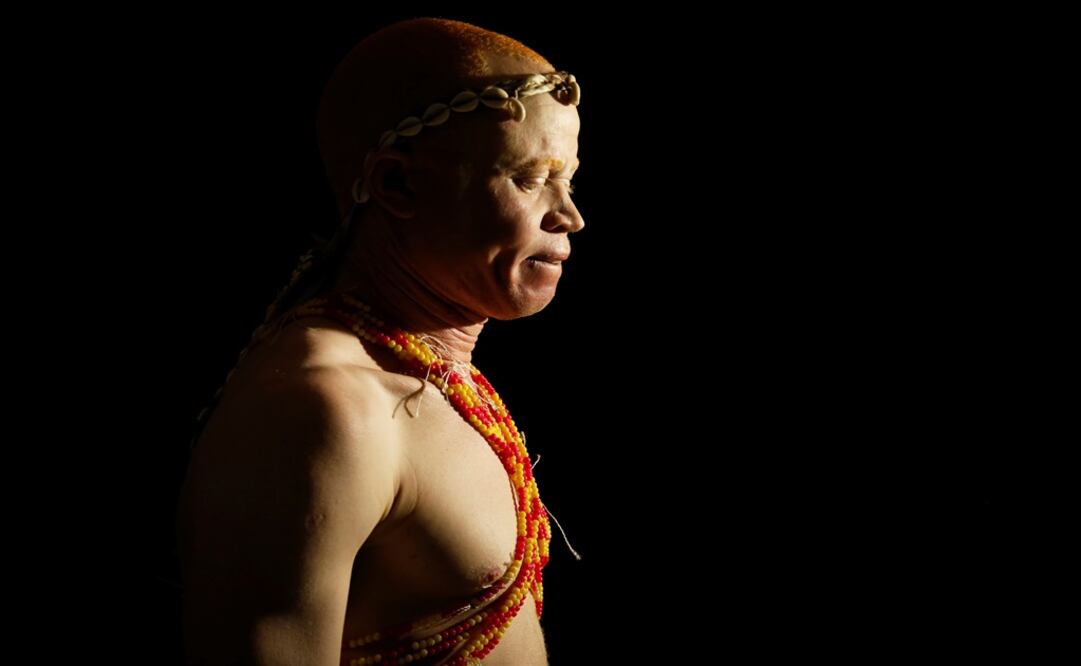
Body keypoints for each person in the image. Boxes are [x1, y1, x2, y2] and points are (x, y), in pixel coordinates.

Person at [176, 17, 585, 666]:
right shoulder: (327, 408)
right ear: (396, 185)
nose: (569, 216)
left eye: (569, 179)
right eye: (529, 179)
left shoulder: (426, 370)